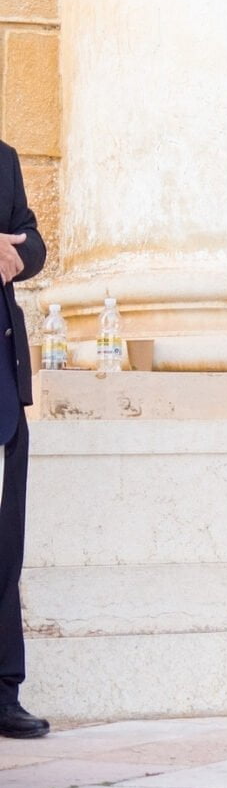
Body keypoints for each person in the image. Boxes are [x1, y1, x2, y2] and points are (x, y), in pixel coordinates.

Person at [0, 139, 48, 740]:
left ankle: (4, 691)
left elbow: (31, 239)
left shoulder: (4, 158)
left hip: (2, 385)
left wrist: (19, 253)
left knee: (4, 546)